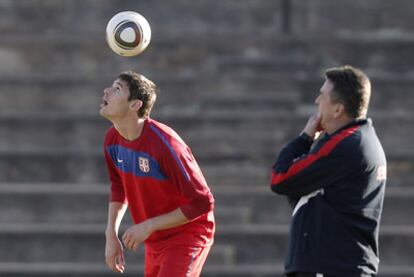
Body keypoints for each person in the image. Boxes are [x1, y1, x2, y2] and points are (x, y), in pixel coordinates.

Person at [270, 65, 387, 277]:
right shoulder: (364, 139)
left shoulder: (346, 144)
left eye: (322, 96)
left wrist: (305, 137)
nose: (317, 101)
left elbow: (281, 177)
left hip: (330, 267)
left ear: (337, 109)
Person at [100, 71, 215, 276]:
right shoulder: (111, 140)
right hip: (155, 241)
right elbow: (118, 187)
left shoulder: (165, 145)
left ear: (135, 105)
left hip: (187, 236)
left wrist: (149, 225)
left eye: (117, 89)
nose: (106, 91)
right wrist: (111, 233)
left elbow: (203, 202)